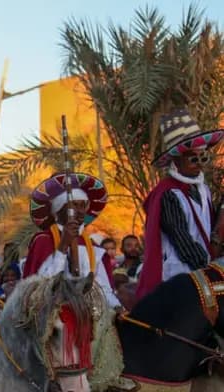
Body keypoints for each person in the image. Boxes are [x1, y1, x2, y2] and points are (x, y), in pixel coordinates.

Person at [137, 108, 224, 299]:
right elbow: (181, 239)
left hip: (205, 271)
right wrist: (210, 267)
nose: (200, 163)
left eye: (204, 157)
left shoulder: (203, 189)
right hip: (179, 275)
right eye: (194, 158)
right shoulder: (167, 193)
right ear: (176, 160)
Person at [23, 171, 121, 310]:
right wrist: (63, 246)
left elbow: (103, 289)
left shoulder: (93, 248)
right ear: (58, 211)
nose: (81, 211)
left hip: (88, 314)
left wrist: (117, 307)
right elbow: (40, 288)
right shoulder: (43, 241)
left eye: (83, 205)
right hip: (52, 317)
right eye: (74, 205)